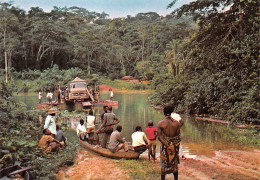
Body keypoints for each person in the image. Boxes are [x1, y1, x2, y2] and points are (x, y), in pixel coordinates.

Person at [157, 104, 183, 180]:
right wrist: (173, 146)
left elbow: (159, 137)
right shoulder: (177, 123)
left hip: (165, 147)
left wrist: (167, 146)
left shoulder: (160, 123)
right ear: (171, 112)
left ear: (164, 112)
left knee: (163, 165)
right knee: (174, 164)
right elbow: (178, 137)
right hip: (174, 147)